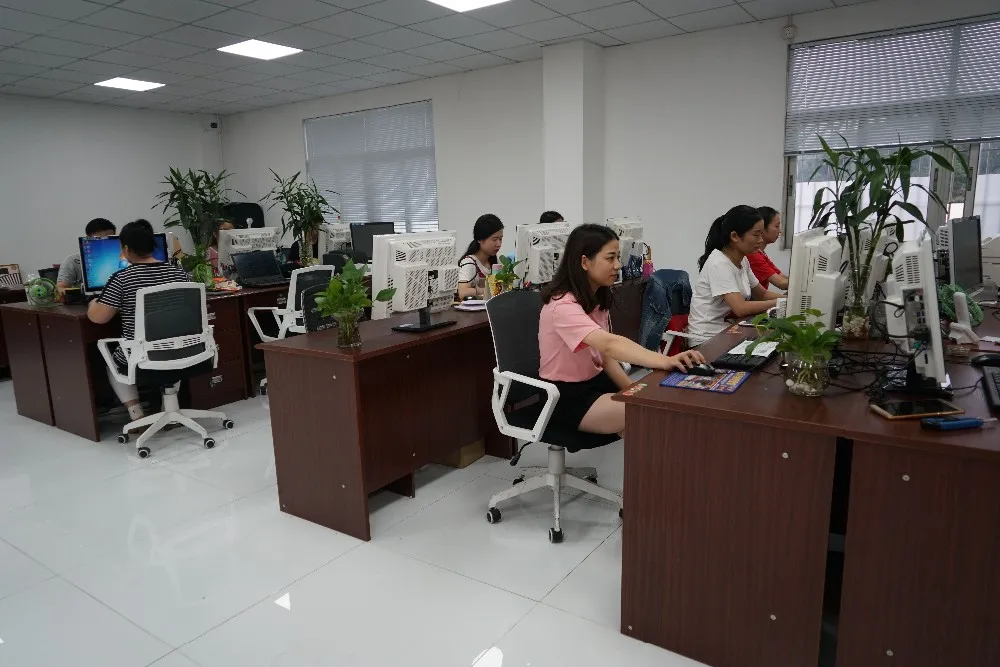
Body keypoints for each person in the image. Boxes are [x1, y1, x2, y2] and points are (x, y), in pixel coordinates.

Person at [539, 224, 704, 435]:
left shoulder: (597, 299)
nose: (618, 265)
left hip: (596, 382)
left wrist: (632, 390)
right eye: (610, 258)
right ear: (584, 262)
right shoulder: (562, 306)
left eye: (618, 257)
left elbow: (605, 358)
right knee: (653, 413)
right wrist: (665, 360)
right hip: (565, 396)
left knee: (651, 422)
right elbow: (610, 345)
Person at [88, 221, 190, 426]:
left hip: (143, 355)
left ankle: (137, 415)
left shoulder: (122, 278)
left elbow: (99, 318)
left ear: (125, 249)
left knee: (112, 359)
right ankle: (169, 409)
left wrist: (93, 303)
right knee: (171, 348)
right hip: (183, 350)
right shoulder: (179, 273)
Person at [686, 205, 783, 346]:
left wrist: (790, 300)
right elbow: (740, 308)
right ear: (734, 236)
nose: (761, 240)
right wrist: (781, 303)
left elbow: (762, 294)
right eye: (756, 234)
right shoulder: (719, 264)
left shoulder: (743, 260)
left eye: (762, 234)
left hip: (728, 331)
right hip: (706, 340)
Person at [56, 218, 116, 294]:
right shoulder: (72, 261)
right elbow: (61, 288)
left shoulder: (124, 259)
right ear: (88, 239)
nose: (105, 244)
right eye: (99, 240)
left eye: (110, 239)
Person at [458, 214, 504, 299]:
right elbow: (463, 292)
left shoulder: (496, 262)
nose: (499, 244)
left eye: (500, 239)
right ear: (479, 239)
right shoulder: (469, 262)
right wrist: (489, 290)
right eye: (494, 239)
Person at [747, 206, 789, 291]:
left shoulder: (761, 253)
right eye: (777, 226)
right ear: (762, 228)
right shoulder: (753, 255)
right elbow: (781, 283)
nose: (780, 231)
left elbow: (780, 276)